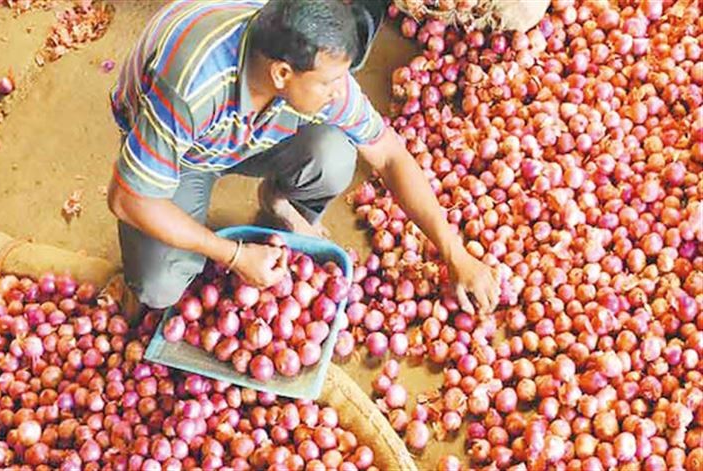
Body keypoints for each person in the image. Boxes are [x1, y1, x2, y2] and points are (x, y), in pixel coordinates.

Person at [105, 0, 500, 318]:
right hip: (187, 152)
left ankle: (279, 202)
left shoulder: (311, 67)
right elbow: (126, 200)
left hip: (247, 129)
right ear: (281, 73)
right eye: (327, 83)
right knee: (159, 286)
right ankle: (139, 278)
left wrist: (455, 253)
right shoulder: (189, 88)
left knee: (335, 156)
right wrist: (235, 255)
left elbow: (390, 155)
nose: (337, 91)